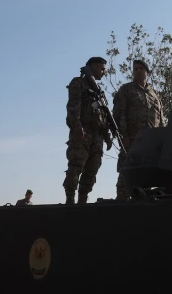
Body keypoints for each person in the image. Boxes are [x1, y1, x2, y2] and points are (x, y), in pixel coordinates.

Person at [112, 59, 165, 201]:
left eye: (141, 68)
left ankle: (143, 202)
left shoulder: (154, 94)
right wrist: (123, 135)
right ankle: (122, 201)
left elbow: (160, 118)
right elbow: (119, 113)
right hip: (132, 139)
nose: (138, 71)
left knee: (147, 173)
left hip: (151, 142)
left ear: (147, 72)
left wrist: (162, 140)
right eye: (135, 69)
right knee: (127, 172)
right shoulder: (126, 90)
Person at [63, 56, 112, 204]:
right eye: (102, 69)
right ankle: (70, 200)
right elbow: (73, 105)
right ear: (94, 67)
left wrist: (107, 135)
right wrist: (77, 125)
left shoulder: (98, 90)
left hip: (97, 136)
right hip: (83, 132)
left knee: (92, 169)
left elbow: (103, 114)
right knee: (76, 166)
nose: (103, 72)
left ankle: (82, 200)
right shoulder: (78, 83)